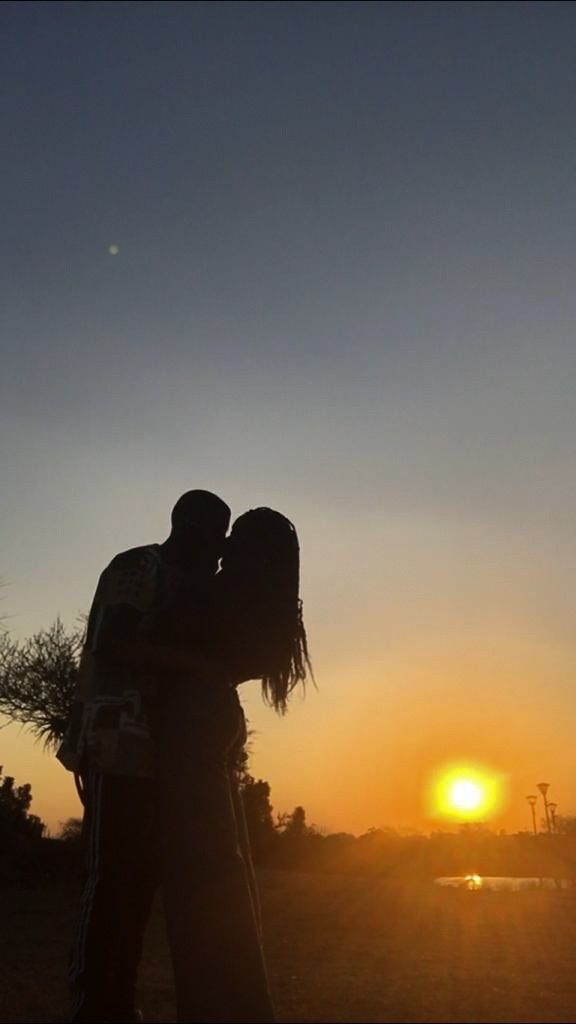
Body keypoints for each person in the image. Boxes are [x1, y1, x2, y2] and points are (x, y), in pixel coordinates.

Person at [57, 489, 231, 1024]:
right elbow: (114, 641)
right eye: (213, 536)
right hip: (115, 744)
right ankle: (94, 1006)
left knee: (140, 884)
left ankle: (118, 1001)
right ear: (186, 526)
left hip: (156, 753)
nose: (218, 551)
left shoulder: (187, 585)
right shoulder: (139, 565)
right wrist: (199, 668)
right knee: (112, 880)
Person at [159, 507, 312, 1024]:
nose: (224, 543)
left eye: (234, 538)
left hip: (193, 719)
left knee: (199, 876)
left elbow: (165, 640)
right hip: (221, 714)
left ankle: (216, 1006)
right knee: (227, 868)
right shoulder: (262, 607)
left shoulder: (215, 593)